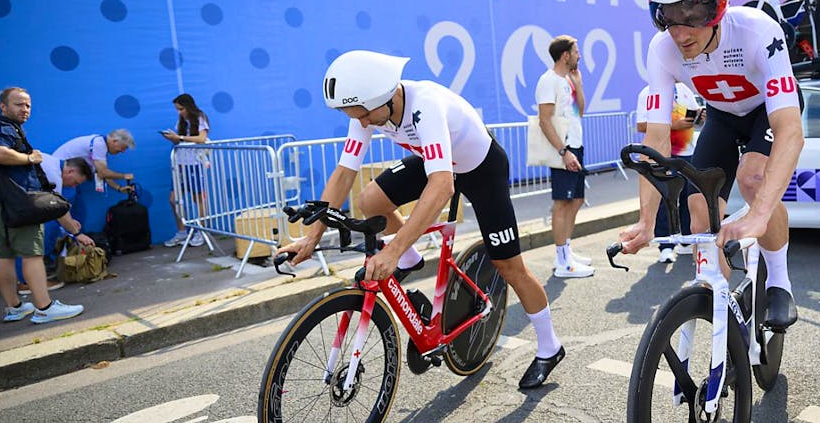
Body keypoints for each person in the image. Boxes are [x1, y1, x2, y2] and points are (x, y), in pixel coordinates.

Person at [279, 50, 566, 389]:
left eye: (366, 116)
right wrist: (311, 238)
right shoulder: (367, 111)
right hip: (439, 161)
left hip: (481, 169)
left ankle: (550, 347)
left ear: (386, 97)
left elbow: (442, 186)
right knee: (370, 200)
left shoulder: (424, 105)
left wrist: (393, 250)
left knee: (509, 267)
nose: (364, 124)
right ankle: (411, 260)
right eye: (357, 117)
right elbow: (344, 173)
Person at [619, 0, 804, 331]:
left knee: (754, 179)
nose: (681, 34)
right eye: (668, 18)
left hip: (765, 113)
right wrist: (646, 220)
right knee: (698, 208)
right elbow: (656, 138)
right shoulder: (662, 49)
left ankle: (779, 283)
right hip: (722, 116)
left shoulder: (758, 31)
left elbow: (790, 131)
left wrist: (758, 215)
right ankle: (718, 297)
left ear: (717, 7)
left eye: (692, 18)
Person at [0, 87, 84, 324]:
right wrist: (29, 158)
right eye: (18, 104)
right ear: (3, 107)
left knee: (4, 255)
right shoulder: (5, 129)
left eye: (28, 105)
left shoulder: (6, 129)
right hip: (17, 203)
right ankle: (44, 308)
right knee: (33, 255)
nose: (25, 109)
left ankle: (14, 308)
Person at [534, 35, 593, 278]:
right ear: (565, 55)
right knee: (562, 202)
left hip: (576, 144)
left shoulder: (568, 79)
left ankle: (566, 251)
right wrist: (563, 152)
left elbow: (581, 111)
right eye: (576, 51)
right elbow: (544, 120)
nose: (579, 56)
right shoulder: (548, 80)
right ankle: (562, 262)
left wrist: (578, 84)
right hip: (563, 148)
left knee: (577, 199)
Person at [635, 83, 703, 264]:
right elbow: (641, 125)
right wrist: (674, 124)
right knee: (665, 199)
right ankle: (665, 246)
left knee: (688, 198)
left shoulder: (685, 90)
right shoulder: (648, 92)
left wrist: (699, 116)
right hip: (663, 154)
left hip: (687, 152)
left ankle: (686, 241)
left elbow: (693, 116)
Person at [16, 156, 95, 295]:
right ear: (70, 171)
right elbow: (57, 209)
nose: (73, 186)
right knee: (30, 241)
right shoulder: (53, 175)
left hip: (11, 198)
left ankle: (28, 279)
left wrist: (70, 222)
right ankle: (26, 283)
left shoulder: (51, 162)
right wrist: (77, 233)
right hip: (12, 202)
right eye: (75, 182)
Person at [162, 93, 210, 248]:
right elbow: (179, 139)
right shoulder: (181, 121)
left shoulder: (200, 117)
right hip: (180, 165)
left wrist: (180, 138)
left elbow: (202, 138)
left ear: (189, 107)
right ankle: (182, 232)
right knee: (173, 199)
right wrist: (173, 138)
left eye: (181, 109)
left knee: (198, 199)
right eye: (177, 109)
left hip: (194, 163)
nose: (179, 112)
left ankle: (201, 231)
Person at [52, 129, 136, 193]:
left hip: (64, 174)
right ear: (115, 141)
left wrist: (119, 188)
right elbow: (103, 173)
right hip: (61, 175)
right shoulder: (99, 145)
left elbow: (101, 173)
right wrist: (124, 176)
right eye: (123, 147)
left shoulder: (99, 144)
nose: (123, 151)